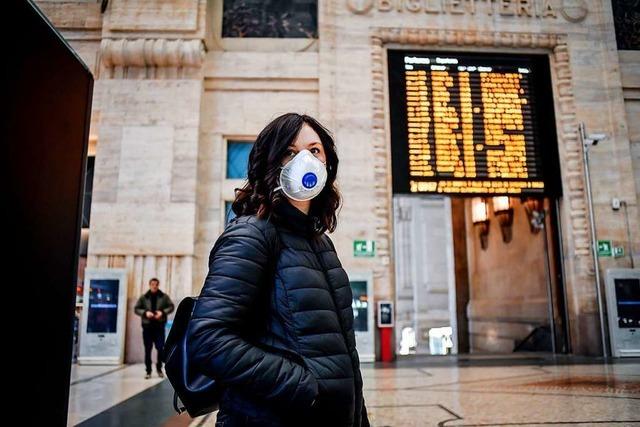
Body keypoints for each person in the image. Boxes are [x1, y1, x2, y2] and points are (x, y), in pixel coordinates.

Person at [188, 113, 370, 427]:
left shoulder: (321, 244)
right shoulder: (251, 234)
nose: (305, 160)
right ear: (271, 164)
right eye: (289, 152)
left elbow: (342, 353)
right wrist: (305, 389)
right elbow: (208, 339)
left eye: (314, 151)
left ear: (327, 165)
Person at [134, 278, 174, 379]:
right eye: (152, 284)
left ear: (158, 285)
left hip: (159, 327)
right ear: (149, 285)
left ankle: (159, 369)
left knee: (160, 348)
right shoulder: (144, 297)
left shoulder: (164, 297)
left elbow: (171, 306)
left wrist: (162, 312)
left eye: (156, 284)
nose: (154, 286)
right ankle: (148, 371)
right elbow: (136, 308)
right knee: (148, 349)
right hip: (147, 327)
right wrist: (145, 313)